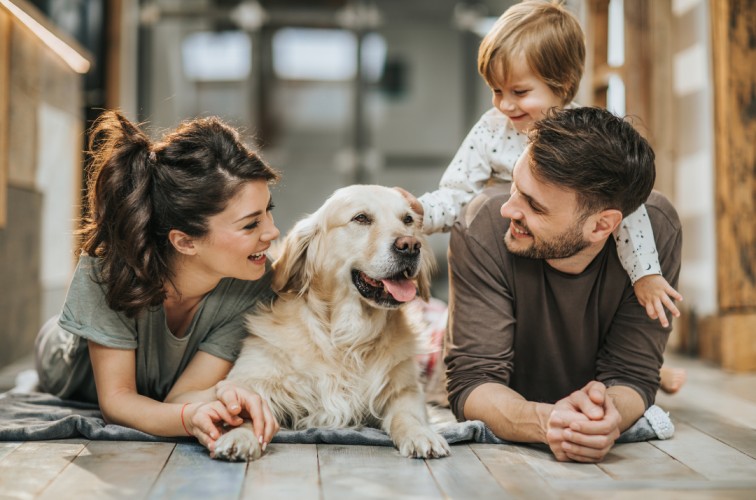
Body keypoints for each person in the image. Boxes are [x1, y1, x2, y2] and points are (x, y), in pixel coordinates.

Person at [397, 0, 683, 327]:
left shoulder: (583, 138)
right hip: (519, 260)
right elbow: (457, 192)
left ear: (560, 85)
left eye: (519, 91)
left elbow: (625, 209)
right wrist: (419, 211)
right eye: (496, 90)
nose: (504, 104)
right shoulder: (492, 129)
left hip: (575, 265)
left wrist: (645, 273)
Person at [444, 106, 682, 463]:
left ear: (602, 226)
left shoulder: (658, 232)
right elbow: (472, 381)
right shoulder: (482, 225)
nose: (509, 210)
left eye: (534, 207)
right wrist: (547, 421)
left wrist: (607, 417)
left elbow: (632, 375)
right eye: (514, 186)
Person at [34, 111, 281, 454]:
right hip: (67, 363)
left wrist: (222, 395)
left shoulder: (254, 284)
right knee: (51, 347)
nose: (272, 231)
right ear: (185, 241)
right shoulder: (105, 273)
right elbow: (117, 402)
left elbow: (180, 398)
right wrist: (189, 417)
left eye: (269, 210)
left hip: (161, 381)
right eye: (250, 225)